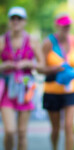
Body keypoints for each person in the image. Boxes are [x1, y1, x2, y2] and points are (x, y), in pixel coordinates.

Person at [0, 7, 44, 150]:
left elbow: (42, 64)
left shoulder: (32, 41)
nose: (16, 21)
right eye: (13, 18)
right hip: (7, 89)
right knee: (9, 131)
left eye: (19, 18)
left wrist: (29, 63)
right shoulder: (2, 41)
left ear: (24, 21)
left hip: (26, 89)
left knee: (22, 132)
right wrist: (4, 65)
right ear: (9, 21)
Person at [41, 13, 74, 150]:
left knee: (68, 126)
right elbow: (40, 68)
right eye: (64, 25)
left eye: (68, 25)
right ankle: (54, 147)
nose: (66, 27)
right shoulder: (48, 43)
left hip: (72, 89)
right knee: (56, 128)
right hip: (52, 90)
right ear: (57, 25)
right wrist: (55, 68)